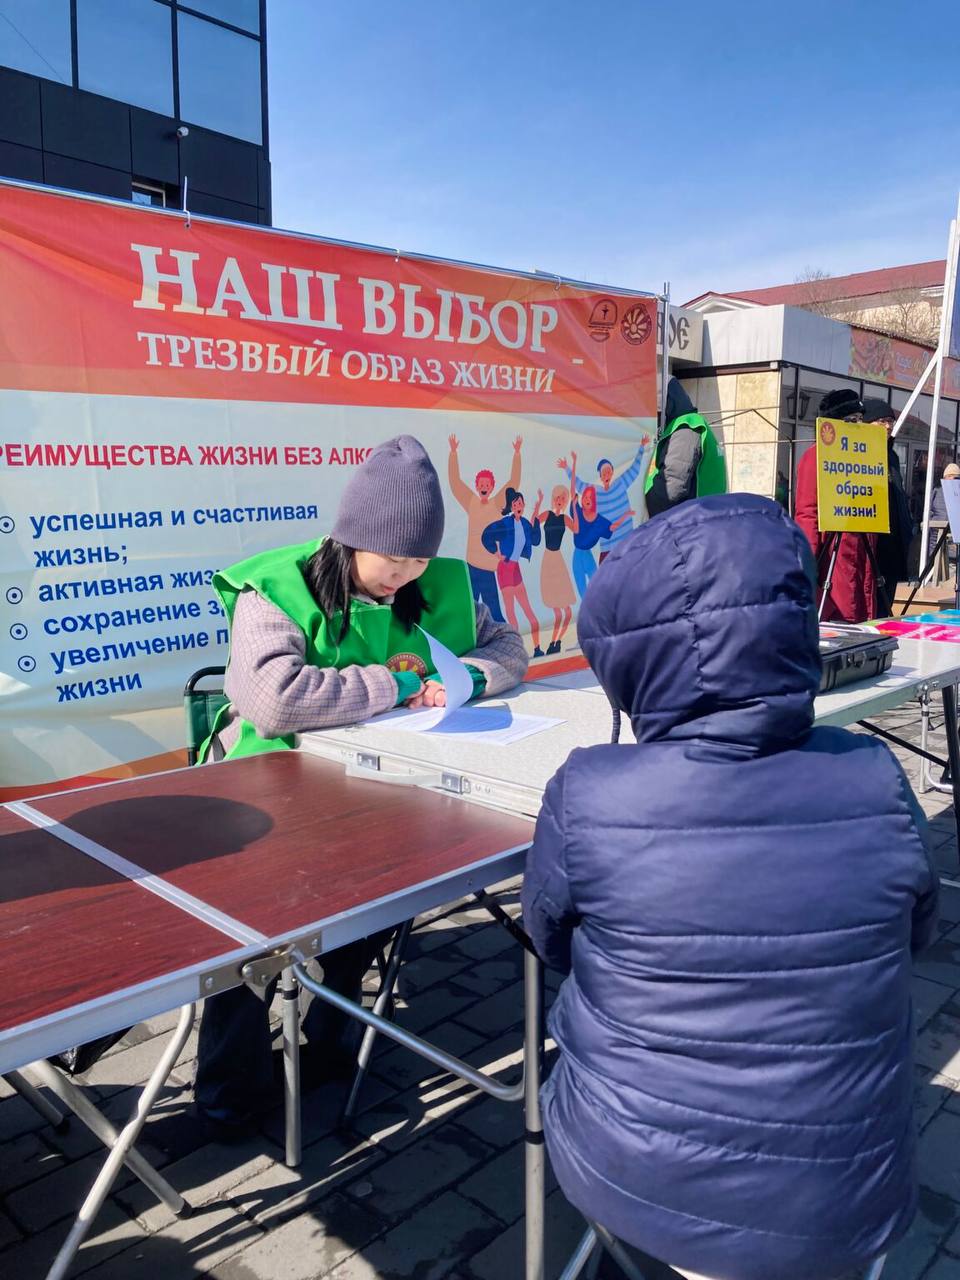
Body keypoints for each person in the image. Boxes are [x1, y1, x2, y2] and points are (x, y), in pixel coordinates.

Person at [523, 492, 938, 1280]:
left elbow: (548, 942)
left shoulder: (587, 793)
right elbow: (917, 933)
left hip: (639, 1177)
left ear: (630, 660)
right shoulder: (877, 775)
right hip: (848, 1203)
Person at [195, 435, 528, 1137]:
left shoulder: (442, 582)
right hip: (267, 793)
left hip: (383, 794)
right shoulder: (278, 586)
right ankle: (228, 1091)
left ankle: (331, 1042)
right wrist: (398, 684)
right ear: (351, 538)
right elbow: (272, 700)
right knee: (251, 942)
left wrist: (463, 680)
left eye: (418, 560)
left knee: (376, 907)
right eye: (393, 560)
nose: (405, 577)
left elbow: (509, 650)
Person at [794, 388, 881, 621]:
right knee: (838, 616)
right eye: (851, 420)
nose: (857, 426)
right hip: (832, 550)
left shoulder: (866, 457)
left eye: (860, 420)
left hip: (862, 550)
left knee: (863, 614)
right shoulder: (816, 456)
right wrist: (807, 562)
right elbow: (807, 513)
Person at [447, 433, 522, 622]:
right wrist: (453, 454)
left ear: (492, 486)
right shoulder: (471, 502)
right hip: (471, 567)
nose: (484, 486)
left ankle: (504, 644)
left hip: (488, 570)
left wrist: (517, 455)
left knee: (494, 614)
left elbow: (513, 483)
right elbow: (455, 483)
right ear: (476, 485)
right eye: (481, 484)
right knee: (468, 613)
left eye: (487, 484)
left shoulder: (497, 504)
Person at [558, 434, 650, 562]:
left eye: (608, 471)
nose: (606, 474)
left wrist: (641, 447)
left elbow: (634, 469)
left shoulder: (620, 483)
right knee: (605, 581)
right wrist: (567, 468)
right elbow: (579, 484)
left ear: (612, 472)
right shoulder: (594, 493)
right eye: (603, 472)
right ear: (600, 476)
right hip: (607, 549)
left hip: (627, 543)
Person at [644, 377, 726, 517]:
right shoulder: (690, 425)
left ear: (663, 407)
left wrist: (641, 502)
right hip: (706, 519)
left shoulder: (685, 430)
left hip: (696, 524)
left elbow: (671, 489)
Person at [862, 397, 914, 607]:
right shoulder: (857, 453)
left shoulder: (891, 456)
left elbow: (898, 497)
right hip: (871, 541)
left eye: (890, 421)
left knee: (886, 602)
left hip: (893, 541)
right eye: (882, 420)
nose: (888, 426)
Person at [481, 487, 544, 657]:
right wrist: (496, 552)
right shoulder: (505, 523)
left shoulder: (524, 523)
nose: (519, 505)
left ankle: (537, 648)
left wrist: (536, 513)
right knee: (511, 611)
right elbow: (486, 535)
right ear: (511, 505)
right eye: (516, 503)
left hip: (516, 568)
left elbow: (536, 540)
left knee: (527, 608)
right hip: (505, 568)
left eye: (521, 502)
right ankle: (518, 650)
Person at [567, 451, 633, 598]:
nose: (588, 499)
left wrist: (625, 516)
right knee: (586, 593)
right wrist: (570, 465)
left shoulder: (599, 519)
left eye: (591, 497)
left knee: (598, 589)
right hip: (578, 555)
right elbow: (575, 486)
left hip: (591, 554)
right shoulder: (577, 510)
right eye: (586, 497)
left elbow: (612, 527)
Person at [534, 484, 577, 655]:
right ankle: (553, 642)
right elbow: (533, 522)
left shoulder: (566, 519)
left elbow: (577, 529)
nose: (560, 501)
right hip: (548, 560)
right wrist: (538, 504)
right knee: (556, 609)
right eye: (557, 497)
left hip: (558, 560)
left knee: (566, 610)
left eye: (563, 498)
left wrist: (574, 506)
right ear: (553, 499)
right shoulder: (548, 514)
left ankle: (556, 641)